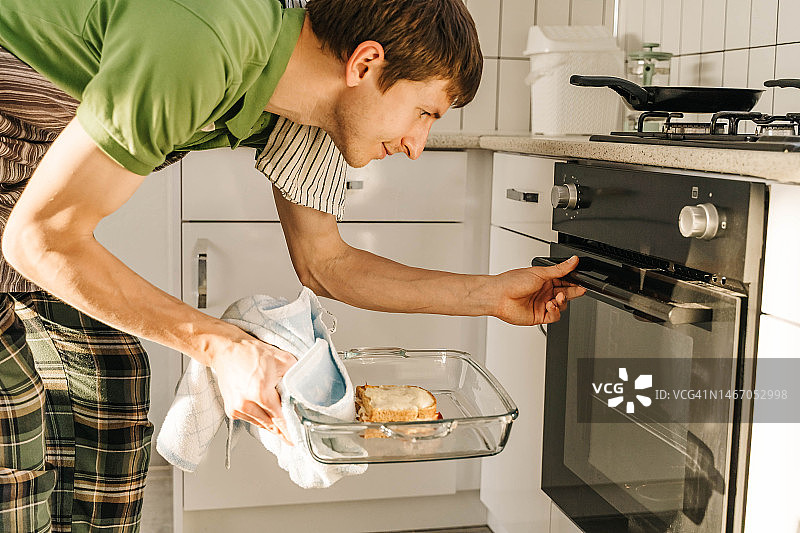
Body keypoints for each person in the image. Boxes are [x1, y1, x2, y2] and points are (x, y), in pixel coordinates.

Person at [0, 0, 584, 530]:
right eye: (423, 112)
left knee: (111, 381)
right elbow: (40, 241)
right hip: (24, 191)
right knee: (14, 413)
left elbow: (327, 264)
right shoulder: (205, 37)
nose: (417, 143)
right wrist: (221, 346)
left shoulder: (311, 109)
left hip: (30, 186)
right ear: (366, 64)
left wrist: (490, 295)